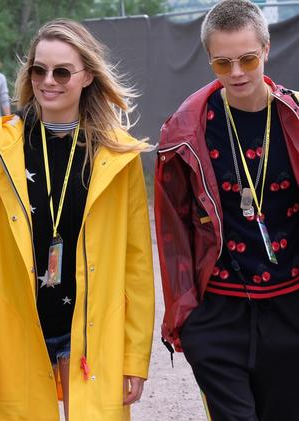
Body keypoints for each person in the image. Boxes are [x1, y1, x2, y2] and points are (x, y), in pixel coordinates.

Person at [0, 19, 154, 421]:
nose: (48, 81)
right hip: (14, 328)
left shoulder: (118, 155)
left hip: (91, 332)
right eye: (38, 70)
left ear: (87, 76)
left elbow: (137, 266)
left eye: (62, 71)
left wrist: (133, 356)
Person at [155, 0, 299, 419]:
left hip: (290, 307)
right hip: (219, 311)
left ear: (267, 50)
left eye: (247, 58)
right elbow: (174, 231)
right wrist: (189, 321)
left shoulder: (293, 118)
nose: (236, 72)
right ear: (210, 60)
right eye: (223, 63)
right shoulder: (185, 131)